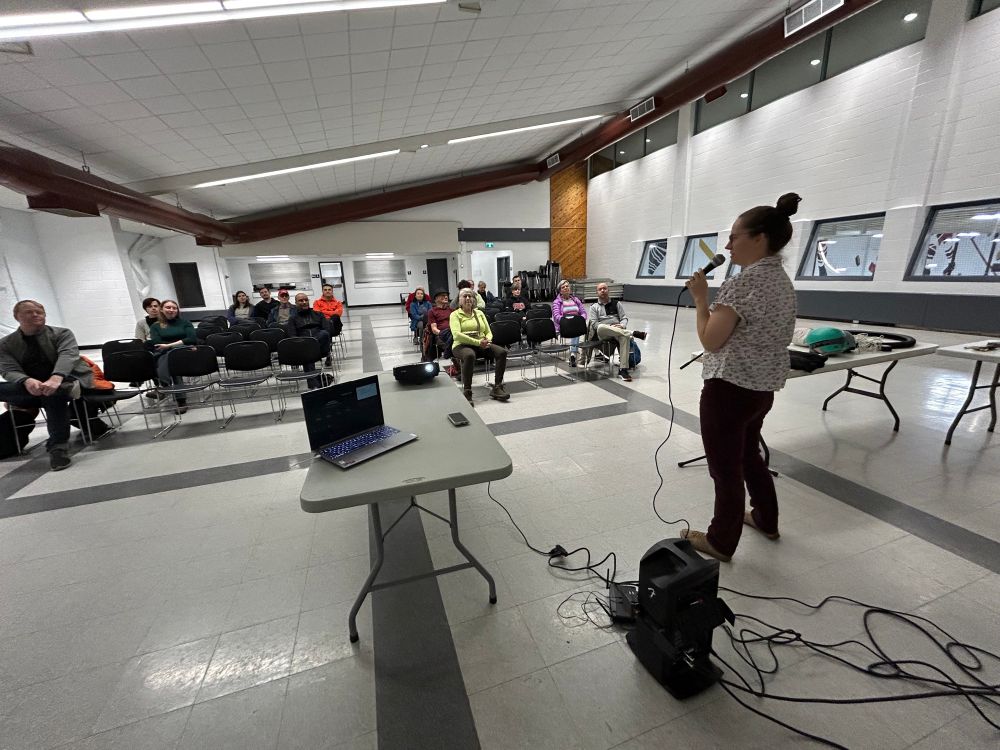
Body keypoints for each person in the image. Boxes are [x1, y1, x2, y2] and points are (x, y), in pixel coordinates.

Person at [681, 193, 801, 563]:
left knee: (725, 468)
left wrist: (701, 299)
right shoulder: (782, 282)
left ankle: (721, 540)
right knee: (749, 457)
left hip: (729, 391)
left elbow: (711, 342)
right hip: (760, 390)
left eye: (735, 237)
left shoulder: (742, 284)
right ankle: (766, 518)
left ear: (759, 238)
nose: (728, 246)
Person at [0, 300, 92, 471]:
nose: (35, 314)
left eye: (39, 311)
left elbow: (68, 356)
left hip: (65, 381)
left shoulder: (62, 333)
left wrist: (55, 378)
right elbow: (8, 369)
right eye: (29, 312)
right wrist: (26, 380)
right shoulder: (5, 344)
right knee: (43, 392)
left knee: (53, 393)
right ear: (16, 317)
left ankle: (58, 447)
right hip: (30, 386)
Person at [449, 288, 510, 405]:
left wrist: (488, 340)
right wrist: (478, 343)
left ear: (474, 300)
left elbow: (488, 330)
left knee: (502, 352)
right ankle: (467, 391)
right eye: (465, 296)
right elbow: (457, 335)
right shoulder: (455, 315)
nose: (468, 298)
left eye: (470, 296)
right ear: (459, 300)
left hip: (481, 344)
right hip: (461, 346)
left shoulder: (479, 313)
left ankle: (497, 387)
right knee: (470, 355)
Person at [586, 282, 646, 381]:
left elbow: (624, 318)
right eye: (600, 289)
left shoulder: (617, 304)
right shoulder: (594, 307)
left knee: (624, 337)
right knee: (601, 326)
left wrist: (622, 325)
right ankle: (632, 333)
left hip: (618, 331)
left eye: (604, 288)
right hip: (603, 333)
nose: (602, 290)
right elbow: (595, 324)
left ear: (608, 290)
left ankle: (623, 370)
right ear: (597, 292)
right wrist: (610, 326)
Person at [149, 299, 197, 413]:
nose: (171, 310)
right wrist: (179, 344)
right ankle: (181, 401)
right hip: (167, 353)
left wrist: (169, 345)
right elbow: (156, 342)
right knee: (173, 364)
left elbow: (192, 339)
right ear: (162, 309)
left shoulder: (185, 323)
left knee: (172, 357)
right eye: (168, 307)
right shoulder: (155, 326)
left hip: (184, 353)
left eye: (174, 308)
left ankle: (164, 387)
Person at [290, 292, 333, 385]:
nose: (304, 302)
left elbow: (326, 330)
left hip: (320, 347)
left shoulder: (319, 314)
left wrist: (312, 341)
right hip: (304, 347)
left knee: (324, 333)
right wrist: (305, 343)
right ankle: (314, 385)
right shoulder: (293, 318)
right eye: (301, 301)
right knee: (307, 353)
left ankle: (314, 385)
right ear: (296, 303)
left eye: (306, 300)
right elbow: (292, 336)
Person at [551, 280, 587, 367]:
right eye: (563, 287)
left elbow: (583, 312)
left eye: (567, 286)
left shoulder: (576, 300)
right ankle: (573, 354)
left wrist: (581, 319)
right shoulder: (557, 302)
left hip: (576, 323)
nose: (566, 288)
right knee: (576, 330)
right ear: (560, 291)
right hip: (564, 325)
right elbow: (556, 316)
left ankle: (575, 355)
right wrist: (567, 322)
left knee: (585, 328)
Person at [423, 289, 454, 362]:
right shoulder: (432, 311)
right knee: (452, 344)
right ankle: (455, 363)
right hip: (441, 335)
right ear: (436, 299)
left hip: (453, 333)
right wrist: (443, 334)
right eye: (442, 295)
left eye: (446, 295)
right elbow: (434, 329)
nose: (446, 297)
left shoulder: (451, 310)